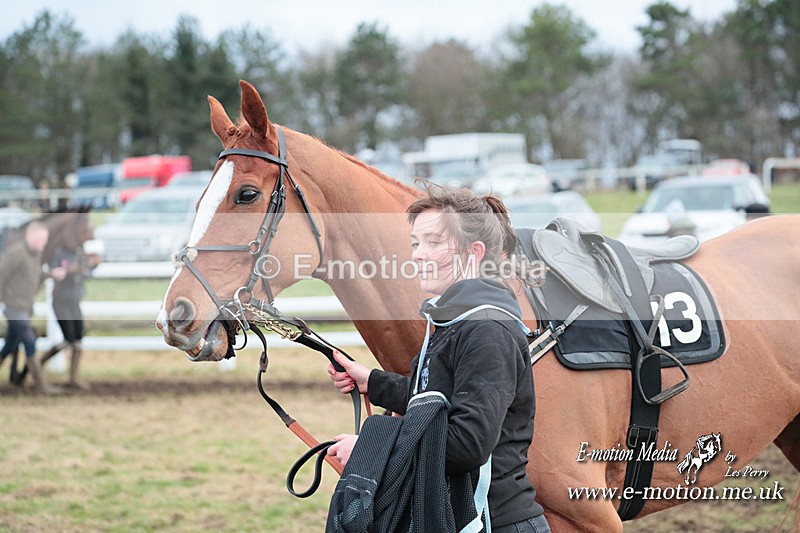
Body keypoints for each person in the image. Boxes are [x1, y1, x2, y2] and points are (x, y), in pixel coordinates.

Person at [326, 183, 550, 532]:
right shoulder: (452, 320)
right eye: (416, 243)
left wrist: (371, 449)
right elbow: (432, 404)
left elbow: (466, 445)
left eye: (433, 243)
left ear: (473, 252)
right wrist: (372, 381)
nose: (416, 255)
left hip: (493, 522)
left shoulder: (487, 330)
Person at [0, 221, 66, 394]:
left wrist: (51, 273)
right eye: (42, 239)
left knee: (8, 346)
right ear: (31, 236)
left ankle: (32, 382)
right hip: (13, 306)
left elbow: (34, 274)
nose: (44, 243)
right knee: (29, 340)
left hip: (24, 307)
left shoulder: (34, 255)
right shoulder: (16, 253)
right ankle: (41, 385)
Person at [36, 240, 100, 389]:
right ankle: (37, 366)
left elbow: (88, 274)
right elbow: (54, 271)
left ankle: (73, 376)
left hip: (74, 300)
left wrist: (86, 268)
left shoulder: (80, 253)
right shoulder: (58, 252)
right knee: (68, 339)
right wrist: (68, 270)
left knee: (77, 339)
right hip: (61, 300)